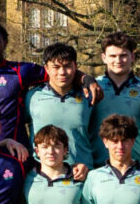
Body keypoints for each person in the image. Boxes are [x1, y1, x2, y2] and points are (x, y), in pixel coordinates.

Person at [26, 42, 98, 176]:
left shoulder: (89, 96)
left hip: (81, 172)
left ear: (76, 66)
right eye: (56, 67)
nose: (62, 72)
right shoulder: (32, 97)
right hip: (42, 176)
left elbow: (97, 135)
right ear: (46, 68)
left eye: (67, 66)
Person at [91, 32, 140, 166]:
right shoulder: (93, 88)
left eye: (123, 55)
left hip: (134, 167)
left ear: (132, 57)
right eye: (112, 56)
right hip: (98, 167)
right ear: (103, 57)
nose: (118, 60)